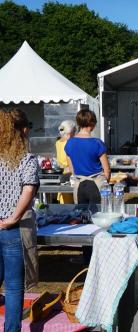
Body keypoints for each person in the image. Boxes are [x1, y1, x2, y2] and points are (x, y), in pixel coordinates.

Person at [0, 108, 39, 332]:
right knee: (14, 286)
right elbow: (28, 190)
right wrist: (13, 218)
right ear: (23, 130)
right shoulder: (27, 159)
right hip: (12, 228)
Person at [65, 110, 110, 204]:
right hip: (96, 185)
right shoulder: (98, 143)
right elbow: (107, 170)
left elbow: (72, 169)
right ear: (92, 124)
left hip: (79, 186)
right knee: (99, 216)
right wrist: (106, 184)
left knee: (81, 216)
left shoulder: (69, 143)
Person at [55, 120, 76, 203]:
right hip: (71, 177)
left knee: (64, 203)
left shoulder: (57, 143)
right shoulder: (71, 143)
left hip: (63, 176)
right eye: (74, 131)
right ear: (69, 133)